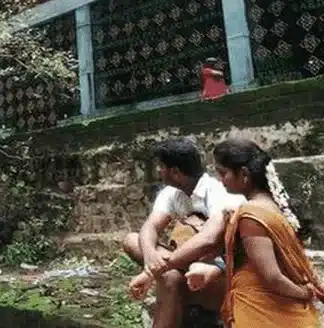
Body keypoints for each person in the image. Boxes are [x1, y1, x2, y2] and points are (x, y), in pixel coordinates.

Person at [180, 139, 324, 327]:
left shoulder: (251, 215)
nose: (221, 180)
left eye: (223, 173)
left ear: (244, 174)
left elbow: (272, 277)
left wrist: (306, 293)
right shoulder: (274, 206)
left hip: (264, 312)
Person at [123, 138, 244, 328]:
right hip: (184, 264)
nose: (158, 171)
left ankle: (171, 278)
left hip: (217, 271)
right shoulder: (171, 193)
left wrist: (156, 270)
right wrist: (150, 260)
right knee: (133, 240)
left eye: (161, 167)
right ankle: (171, 275)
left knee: (169, 279)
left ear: (175, 172)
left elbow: (209, 240)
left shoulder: (218, 192)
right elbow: (150, 227)